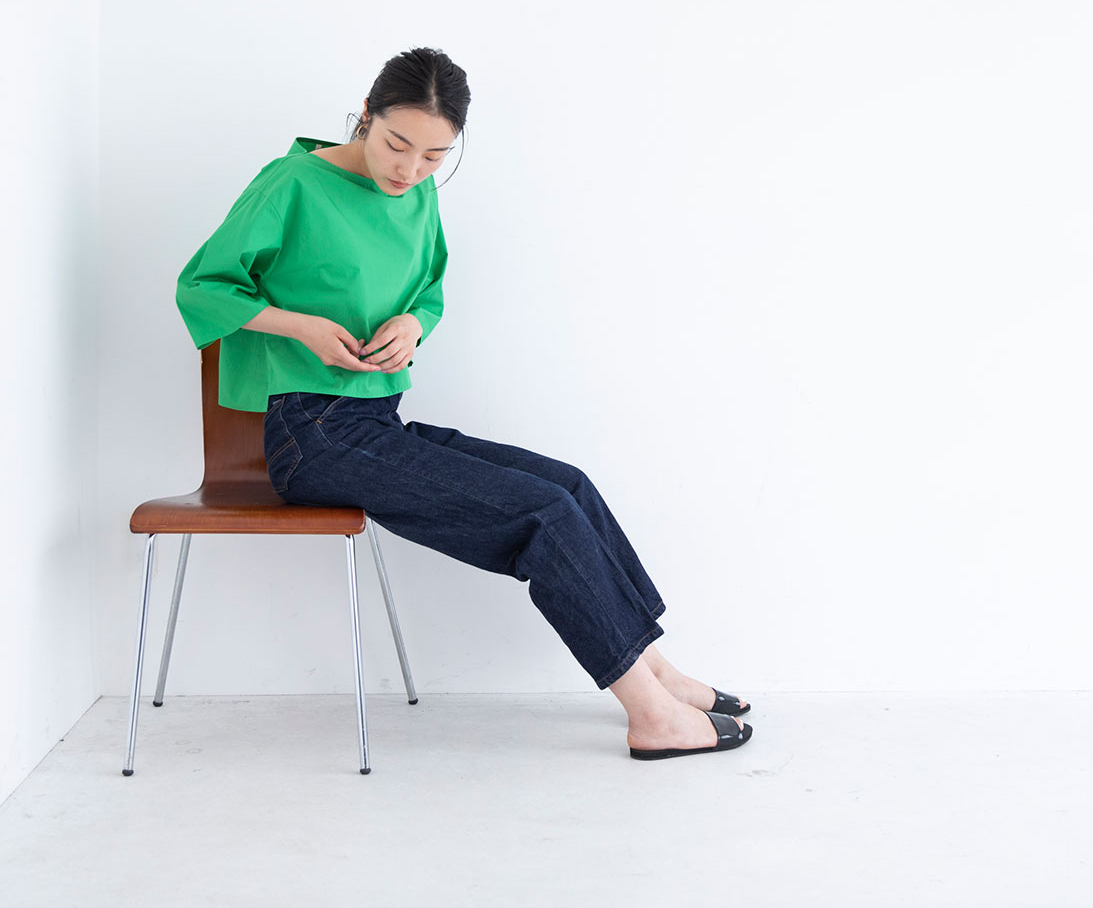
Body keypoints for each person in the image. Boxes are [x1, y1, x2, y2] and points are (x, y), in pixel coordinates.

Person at [175, 47, 752, 760]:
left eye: (434, 156)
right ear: (366, 113)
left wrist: (412, 325)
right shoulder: (292, 182)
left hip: (373, 421)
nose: (409, 169)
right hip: (311, 435)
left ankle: (657, 672)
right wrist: (301, 327)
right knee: (542, 514)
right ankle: (650, 715)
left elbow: (430, 290)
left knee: (569, 486)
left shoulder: (418, 195)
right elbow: (201, 285)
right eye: (397, 144)